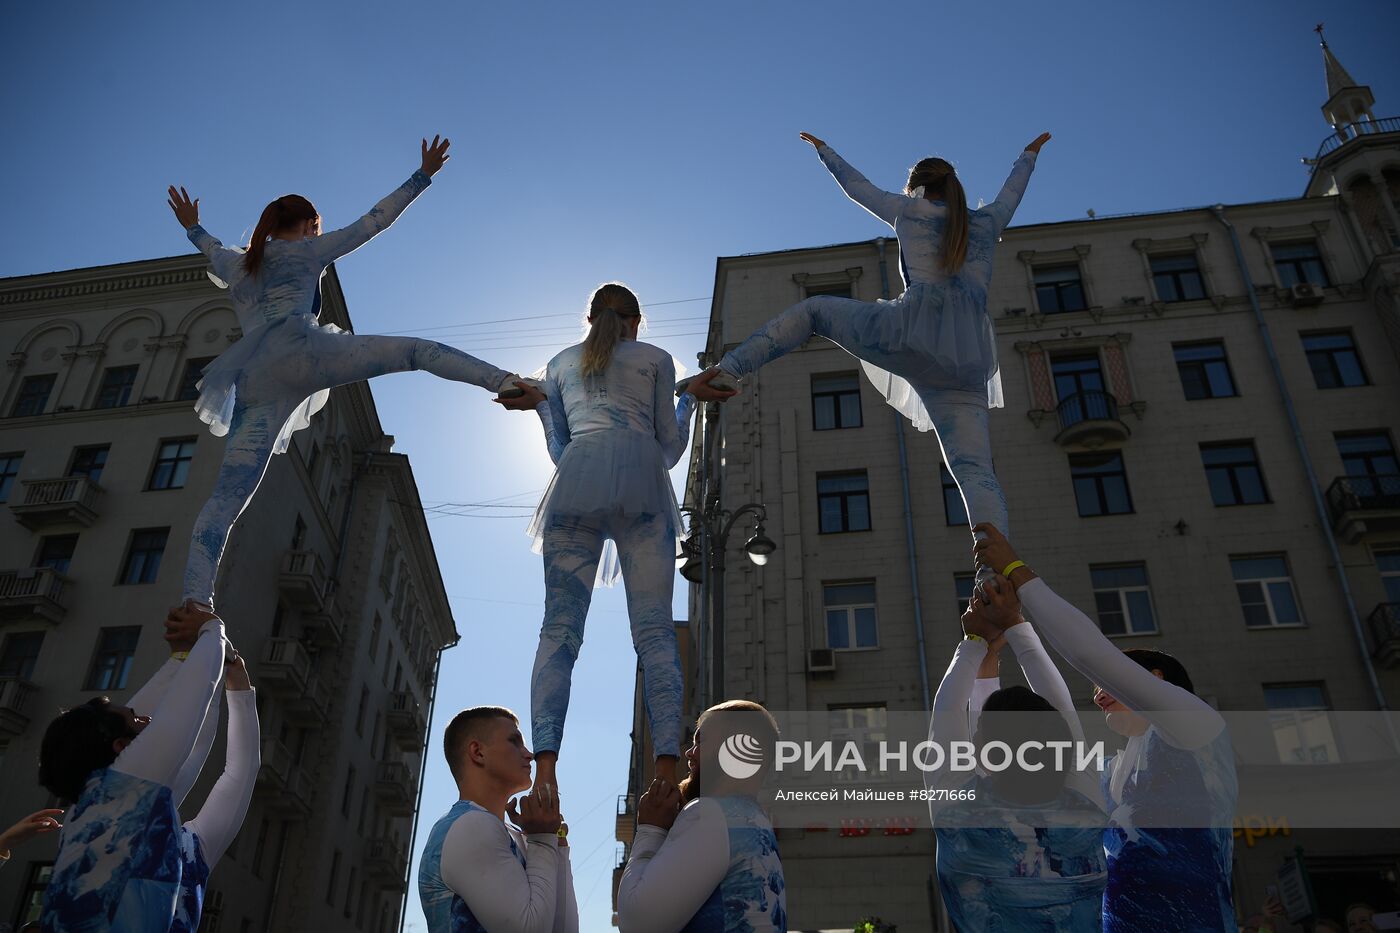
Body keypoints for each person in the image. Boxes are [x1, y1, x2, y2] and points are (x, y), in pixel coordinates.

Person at [167, 136, 527, 610]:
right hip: (304, 353)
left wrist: (192, 226)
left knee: (226, 499)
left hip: (255, 379)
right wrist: (422, 176)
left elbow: (209, 245)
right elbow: (373, 222)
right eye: (315, 227)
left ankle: (195, 600)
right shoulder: (307, 252)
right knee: (414, 351)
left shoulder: (239, 263)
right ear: (309, 225)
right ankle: (504, 381)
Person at [686, 131, 1050, 587]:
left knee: (816, 310)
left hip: (909, 337)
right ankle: (993, 574)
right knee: (975, 469)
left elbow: (856, 186)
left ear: (916, 187)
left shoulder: (908, 211)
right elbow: (1012, 191)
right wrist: (1028, 155)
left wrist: (824, 152)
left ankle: (729, 371)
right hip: (968, 362)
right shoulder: (988, 221)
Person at [497, 282, 732, 793]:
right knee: (654, 633)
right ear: (636, 322)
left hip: (575, 486)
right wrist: (688, 402)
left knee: (558, 631)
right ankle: (668, 771)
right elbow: (668, 451)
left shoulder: (559, 364)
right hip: (643, 493)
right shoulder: (655, 359)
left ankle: (545, 774)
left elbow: (562, 452)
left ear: (589, 320)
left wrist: (540, 407)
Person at [972, 522, 1237, 932]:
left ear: (1156, 678)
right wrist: (1009, 633)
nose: (1098, 694)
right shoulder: (1108, 771)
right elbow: (1061, 719)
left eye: (1108, 684)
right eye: (1097, 688)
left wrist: (1015, 569)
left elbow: (1090, 654)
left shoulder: (1197, 728)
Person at [927, 580, 1105, 931]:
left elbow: (946, 711)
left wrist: (977, 641)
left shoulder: (958, 811)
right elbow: (1059, 706)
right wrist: (1009, 628)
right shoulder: (1086, 804)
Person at [39, 604, 229, 930]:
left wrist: (182, 657)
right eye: (137, 721)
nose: (147, 718)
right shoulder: (128, 785)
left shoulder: (103, 804)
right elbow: (192, 703)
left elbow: (192, 742)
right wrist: (212, 630)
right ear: (121, 748)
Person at [616, 700, 786, 933]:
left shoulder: (710, 815)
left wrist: (650, 830)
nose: (689, 752)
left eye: (701, 740)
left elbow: (637, 924)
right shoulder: (756, 823)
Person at [417, 706, 576, 933]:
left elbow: (564, 929)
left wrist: (556, 842)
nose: (529, 754)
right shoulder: (469, 826)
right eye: (515, 741)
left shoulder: (511, 833)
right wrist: (542, 839)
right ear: (477, 752)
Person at [171, 651, 260, 932]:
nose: (145, 723)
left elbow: (196, 754)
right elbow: (239, 771)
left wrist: (220, 677)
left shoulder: (187, 849)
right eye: (135, 723)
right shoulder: (186, 854)